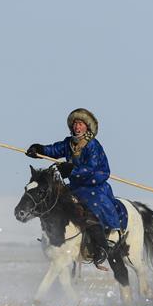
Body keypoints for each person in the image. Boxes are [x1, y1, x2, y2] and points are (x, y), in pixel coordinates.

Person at [26, 108, 127, 268]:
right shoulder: (69, 143)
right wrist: (39, 149)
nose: (77, 127)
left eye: (80, 124)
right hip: (75, 186)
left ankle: (102, 246)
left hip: (95, 186)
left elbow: (93, 168)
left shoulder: (93, 145)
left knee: (92, 209)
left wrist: (72, 170)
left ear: (87, 126)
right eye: (74, 124)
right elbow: (53, 150)